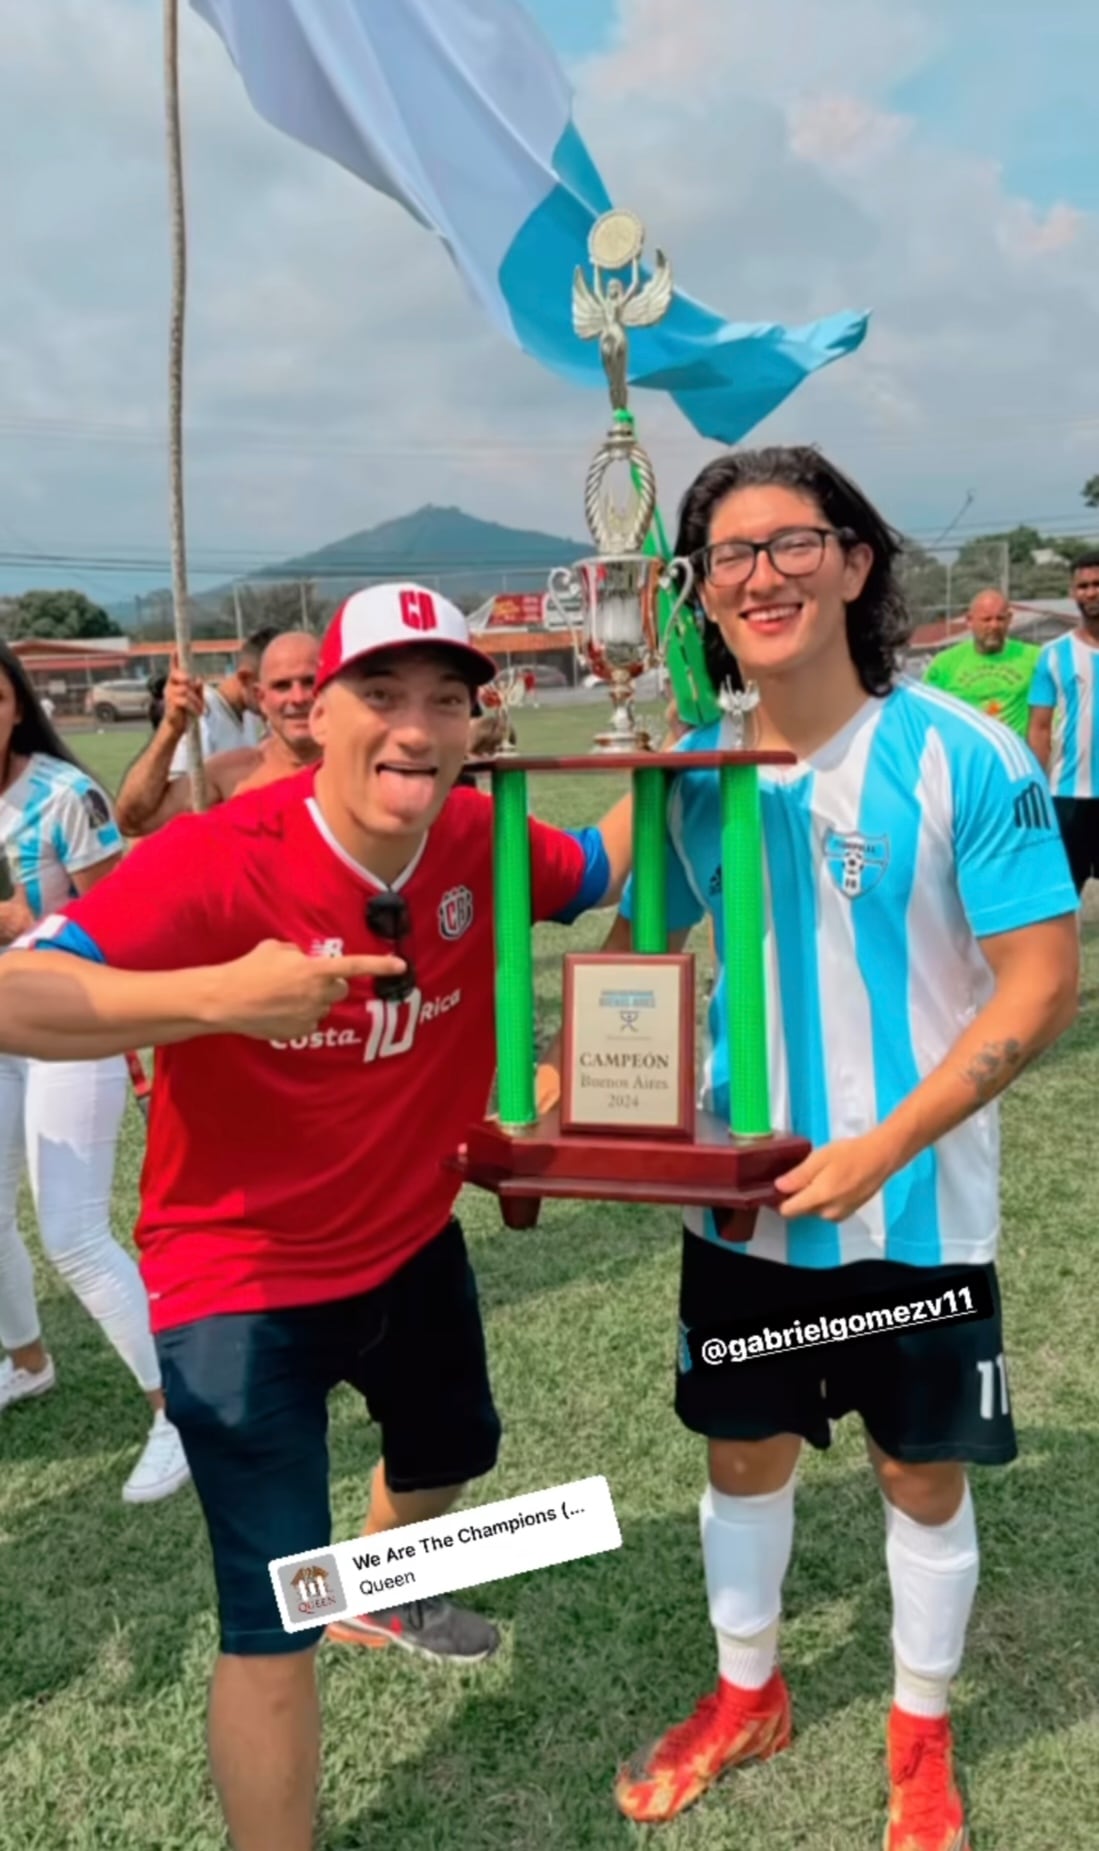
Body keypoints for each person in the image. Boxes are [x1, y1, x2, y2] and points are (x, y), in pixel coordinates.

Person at [0, 584, 632, 1851]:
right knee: (268, 1616)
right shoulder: (220, 855)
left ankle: (376, 1596)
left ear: (475, 725)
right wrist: (219, 996)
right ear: (313, 715)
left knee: (451, 1453)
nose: (415, 726)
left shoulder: (477, 833)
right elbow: (17, 995)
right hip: (238, 1280)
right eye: (380, 695)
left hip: (410, 1242)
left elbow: (607, 863)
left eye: (444, 699)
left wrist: (733, 729)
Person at [570, 449, 1077, 1847]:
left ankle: (919, 1732)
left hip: (914, 1210)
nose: (761, 575)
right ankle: (750, 1694)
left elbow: (1039, 984)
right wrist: (573, 1097)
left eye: (792, 542)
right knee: (742, 1454)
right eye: (727, 555)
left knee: (918, 1471)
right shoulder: (696, 772)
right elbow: (636, 961)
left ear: (854, 562)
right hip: (742, 1212)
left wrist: (881, 1145)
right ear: (698, 595)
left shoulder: (961, 753)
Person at [0, 640, 190, 1502]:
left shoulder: (64, 795)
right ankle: (27, 1360)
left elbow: (123, 919)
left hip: (69, 1023)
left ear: (16, 704)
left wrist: (22, 924)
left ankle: (178, 1410)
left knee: (72, 1233)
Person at [116, 631, 321, 835]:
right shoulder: (232, 774)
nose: (298, 698)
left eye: (310, 682)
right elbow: (134, 822)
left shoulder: (343, 769)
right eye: (282, 686)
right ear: (261, 698)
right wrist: (171, 728)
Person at [1027, 551, 1099, 894]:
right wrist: (1035, 787)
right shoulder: (1054, 653)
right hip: (1068, 795)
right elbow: (1039, 728)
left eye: (1097, 584)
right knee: (1062, 896)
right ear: (1073, 592)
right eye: (1083, 586)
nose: (1091, 592)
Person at [922, 588, 1040, 736]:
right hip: (965, 749)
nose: (994, 626)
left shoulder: (1035, 658)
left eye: (1000, 619)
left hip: (1013, 749)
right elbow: (925, 715)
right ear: (969, 621)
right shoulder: (944, 664)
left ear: (1009, 619)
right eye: (986, 619)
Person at [166, 626, 273, 776]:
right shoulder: (202, 715)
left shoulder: (248, 716)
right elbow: (179, 783)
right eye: (279, 686)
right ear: (245, 678)